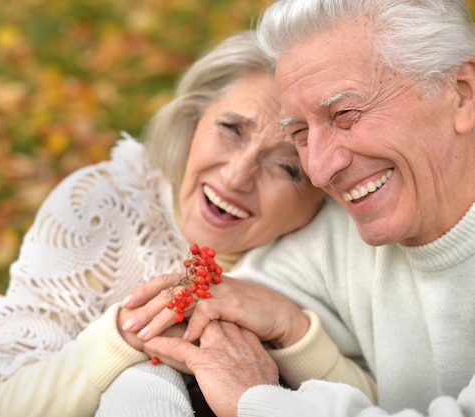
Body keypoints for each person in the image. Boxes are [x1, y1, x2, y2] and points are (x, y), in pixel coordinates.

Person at [0, 31, 376, 417]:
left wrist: (294, 330)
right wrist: (123, 339)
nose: (235, 176)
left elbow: (393, 406)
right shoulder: (102, 206)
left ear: (324, 186)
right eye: (231, 129)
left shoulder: (342, 240)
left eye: (286, 167)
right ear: (193, 120)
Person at [130, 0, 475, 416]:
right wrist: (291, 329)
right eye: (299, 133)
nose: (320, 169)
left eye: (345, 114)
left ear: (461, 94)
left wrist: (255, 402)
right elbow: (179, 341)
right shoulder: (334, 235)